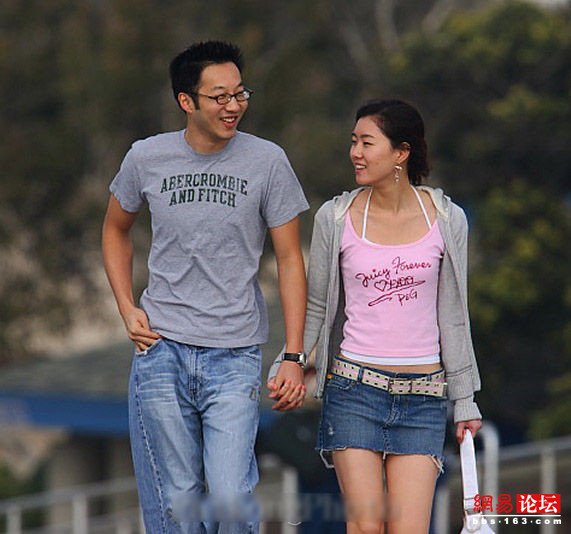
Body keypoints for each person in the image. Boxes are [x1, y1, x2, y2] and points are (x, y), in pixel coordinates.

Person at [102, 41, 309, 534]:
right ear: (186, 101)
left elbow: (289, 259)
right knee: (177, 502)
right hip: (161, 348)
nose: (233, 106)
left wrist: (294, 355)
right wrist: (127, 307)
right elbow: (114, 230)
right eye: (219, 97)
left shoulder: (267, 161)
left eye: (240, 94)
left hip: (234, 354)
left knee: (231, 496)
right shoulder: (146, 157)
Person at [269, 99, 482, 534]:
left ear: (401, 152)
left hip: (424, 397)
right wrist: (289, 361)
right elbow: (317, 306)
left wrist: (464, 399)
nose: (356, 153)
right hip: (354, 391)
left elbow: (454, 316)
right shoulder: (335, 218)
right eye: (353, 142)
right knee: (365, 526)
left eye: (367, 143)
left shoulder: (448, 219)